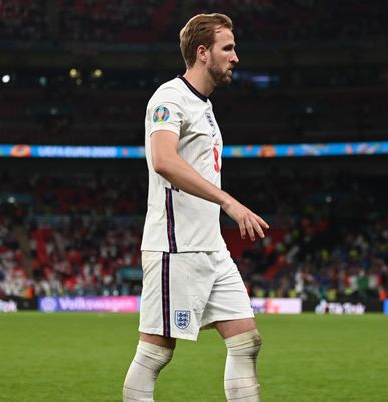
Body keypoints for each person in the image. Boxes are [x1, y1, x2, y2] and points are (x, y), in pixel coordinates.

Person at [122, 13, 269, 402]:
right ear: (203, 53)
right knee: (155, 354)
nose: (235, 57)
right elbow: (164, 161)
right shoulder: (169, 98)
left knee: (246, 342)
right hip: (176, 248)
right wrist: (229, 202)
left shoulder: (204, 106)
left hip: (211, 248)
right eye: (228, 48)